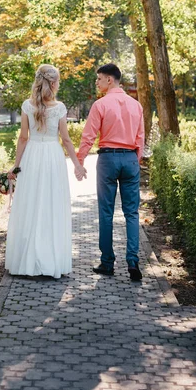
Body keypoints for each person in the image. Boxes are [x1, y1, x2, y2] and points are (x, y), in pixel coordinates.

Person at [5, 64, 87, 279]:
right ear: (53, 83)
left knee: (31, 203)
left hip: (32, 156)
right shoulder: (59, 107)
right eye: (58, 81)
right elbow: (66, 140)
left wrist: (16, 165)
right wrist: (77, 165)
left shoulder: (27, 106)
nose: (58, 84)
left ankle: (27, 261)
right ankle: (50, 259)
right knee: (51, 204)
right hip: (52, 157)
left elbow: (23, 138)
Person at [76, 63, 145, 281]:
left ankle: (107, 263)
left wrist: (80, 161)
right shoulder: (136, 106)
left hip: (107, 159)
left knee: (106, 212)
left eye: (99, 79)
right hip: (130, 159)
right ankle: (133, 260)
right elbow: (140, 138)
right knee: (132, 212)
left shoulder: (101, 104)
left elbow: (88, 136)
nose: (96, 82)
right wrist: (135, 160)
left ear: (109, 80)